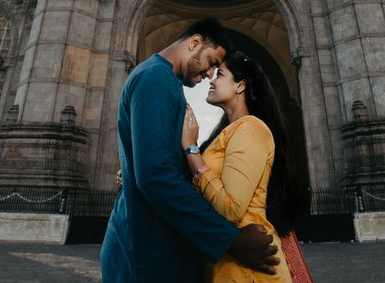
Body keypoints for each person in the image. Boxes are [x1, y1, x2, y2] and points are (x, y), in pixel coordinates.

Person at [101, 18, 279, 282]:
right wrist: (229, 239)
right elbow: (155, 175)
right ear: (195, 42)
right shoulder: (155, 78)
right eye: (212, 63)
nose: (209, 74)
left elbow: (155, 164)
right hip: (146, 254)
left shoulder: (162, 79)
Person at [181, 51, 306, 282]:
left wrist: (191, 149)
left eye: (220, 74)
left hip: (249, 270)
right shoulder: (228, 133)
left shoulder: (250, 128)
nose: (212, 79)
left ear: (241, 85)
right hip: (228, 263)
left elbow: (231, 208)